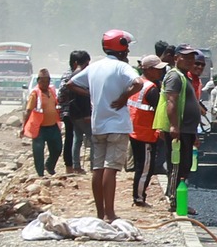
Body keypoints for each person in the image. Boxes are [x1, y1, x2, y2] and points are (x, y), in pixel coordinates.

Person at [80, 30, 143, 222]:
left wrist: (96, 97)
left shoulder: (94, 67)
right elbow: (138, 82)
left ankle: (100, 214)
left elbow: (71, 84)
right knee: (111, 168)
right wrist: (124, 97)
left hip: (98, 125)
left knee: (98, 168)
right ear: (122, 46)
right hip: (117, 125)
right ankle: (110, 213)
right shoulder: (121, 67)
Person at [156, 47, 206, 211]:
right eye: (186, 58)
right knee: (177, 165)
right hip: (180, 130)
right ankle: (174, 200)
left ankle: (179, 199)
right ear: (176, 58)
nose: (190, 61)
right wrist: (173, 125)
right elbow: (172, 102)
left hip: (188, 130)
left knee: (185, 165)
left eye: (192, 58)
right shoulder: (175, 76)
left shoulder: (186, 78)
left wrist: (194, 133)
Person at [128, 56, 167, 207]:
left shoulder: (138, 83)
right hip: (145, 134)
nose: (161, 72)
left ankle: (139, 195)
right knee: (145, 168)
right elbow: (159, 109)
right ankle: (139, 198)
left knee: (141, 166)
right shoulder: (151, 89)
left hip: (136, 130)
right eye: (158, 69)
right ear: (149, 70)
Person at [24, 69, 62, 176]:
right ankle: (40, 174)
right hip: (39, 128)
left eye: (47, 81)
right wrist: (23, 126)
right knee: (38, 152)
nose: (45, 84)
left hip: (53, 126)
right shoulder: (35, 94)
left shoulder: (52, 91)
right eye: (42, 81)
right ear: (38, 81)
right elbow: (28, 111)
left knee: (58, 148)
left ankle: (49, 166)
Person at [59, 49, 92, 173]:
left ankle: (74, 166)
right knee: (72, 138)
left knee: (76, 138)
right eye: (86, 64)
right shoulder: (71, 76)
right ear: (76, 63)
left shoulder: (77, 74)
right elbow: (62, 92)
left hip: (75, 112)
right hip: (72, 112)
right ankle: (71, 166)